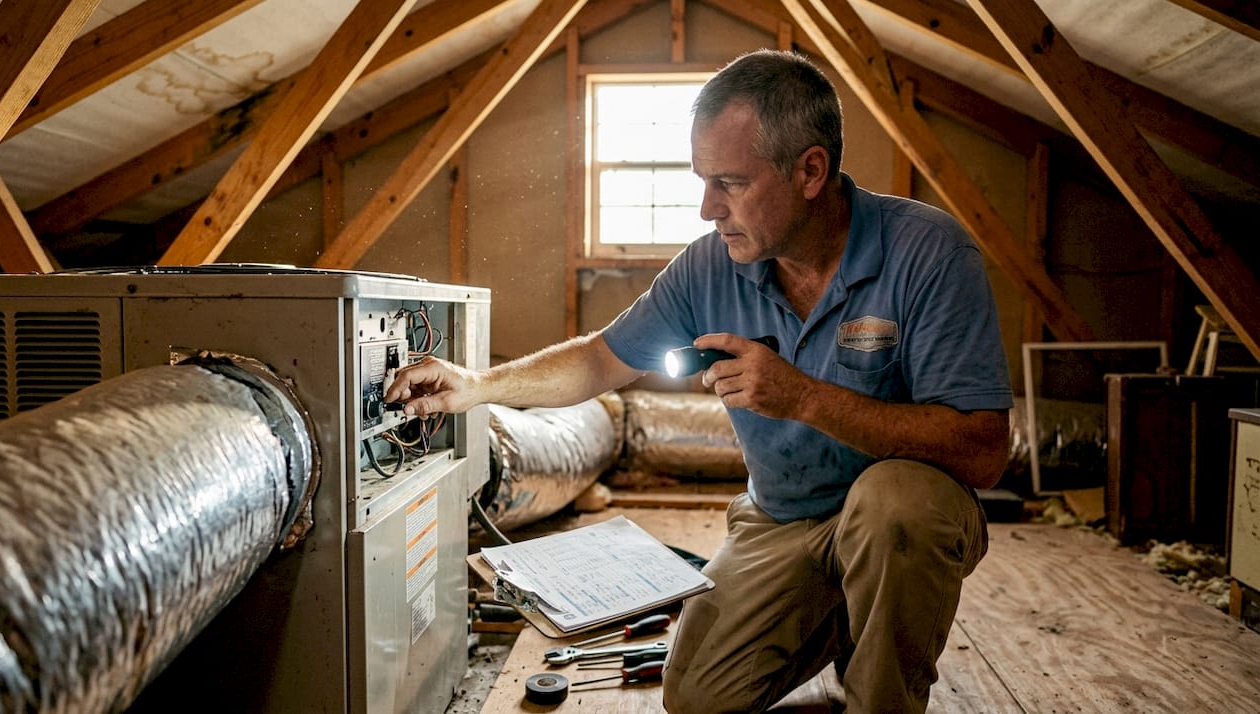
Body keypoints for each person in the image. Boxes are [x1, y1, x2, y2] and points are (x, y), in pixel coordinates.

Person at [386, 48, 1012, 713]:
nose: (708, 206)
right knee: (697, 698)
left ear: (810, 171)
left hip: (897, 521)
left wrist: (803, 397)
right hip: (782, 518)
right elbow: (601, 360)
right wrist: (478, 384)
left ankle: (882, 689)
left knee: (895, 504)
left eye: (731, 182)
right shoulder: (709, 268)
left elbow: (983, 449)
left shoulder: (929, 253)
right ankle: (851, 616)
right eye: (701, 180)